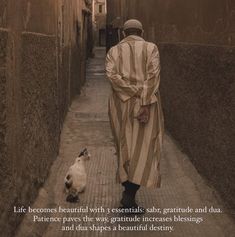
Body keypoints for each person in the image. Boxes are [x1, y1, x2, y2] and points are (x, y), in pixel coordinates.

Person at [105, 19, 164, 213]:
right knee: (145, 148)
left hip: (120, 104)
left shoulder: (113, 51)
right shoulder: (151, 48)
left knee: (124, 146)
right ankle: (129, 196)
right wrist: (144, 100)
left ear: (123, 33)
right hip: (146, 104)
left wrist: (130, 91)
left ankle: (128, 195)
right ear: (142, 32)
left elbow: (112, 75)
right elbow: (153, 75)